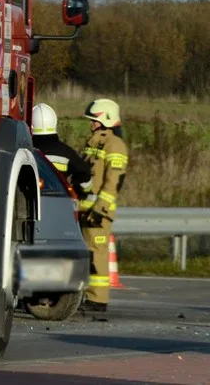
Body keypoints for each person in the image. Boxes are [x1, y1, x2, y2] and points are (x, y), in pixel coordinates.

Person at [76, 98, 129, 316]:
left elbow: (113, 182)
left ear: (105, 120)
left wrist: (100, 208)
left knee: (97, 254)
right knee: (87, 255)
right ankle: (86, 295)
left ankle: (98, 299)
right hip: (85, 210)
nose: (90, 124)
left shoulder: (115, 145)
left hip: (98, 212)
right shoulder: (94, 142)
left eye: (93, 121)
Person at [31, 102, 92, 194]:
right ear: (54, 123)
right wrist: (76, 191)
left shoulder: (25, 151)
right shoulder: (66, 152)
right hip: (59, 203)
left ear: (31, 126)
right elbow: (85, 176)